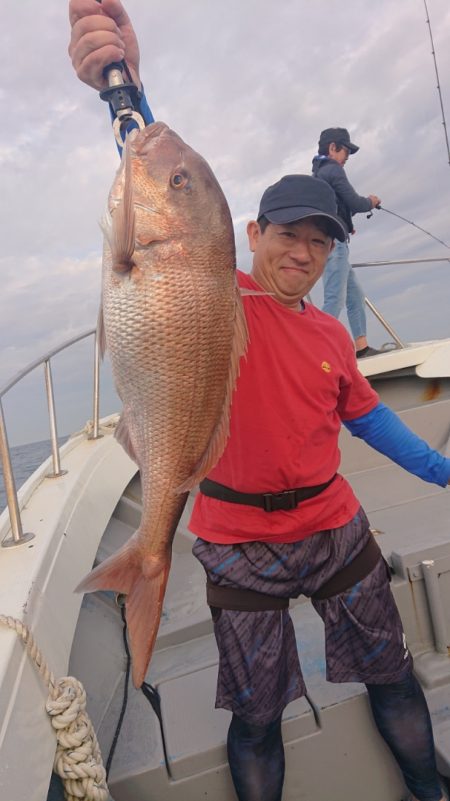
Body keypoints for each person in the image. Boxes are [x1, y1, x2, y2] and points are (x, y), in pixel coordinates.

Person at [69, 4, 450, 800]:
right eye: (287, 233)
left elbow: (371, 418)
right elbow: (163, 204)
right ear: (251, 232)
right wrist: (126, 86)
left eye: (320, 240)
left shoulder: (333, 338)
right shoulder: (215, 291)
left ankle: (430, 785)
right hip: (235, 538)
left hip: (332, 527)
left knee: (394, 674)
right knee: (256, 716)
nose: (302, 252)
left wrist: (443, 471)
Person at [312, 127, 381, 357]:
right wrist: (371, 201)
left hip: (335, 242)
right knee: (335, 298)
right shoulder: (333, 170)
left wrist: (347, 225)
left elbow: (335, 206)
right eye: (345, 153)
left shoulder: (320, 172)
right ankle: (317, 351)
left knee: (355, 296)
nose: (347, 159)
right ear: (333, 148)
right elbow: (354, 201)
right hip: (335, 246)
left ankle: (361, 347)